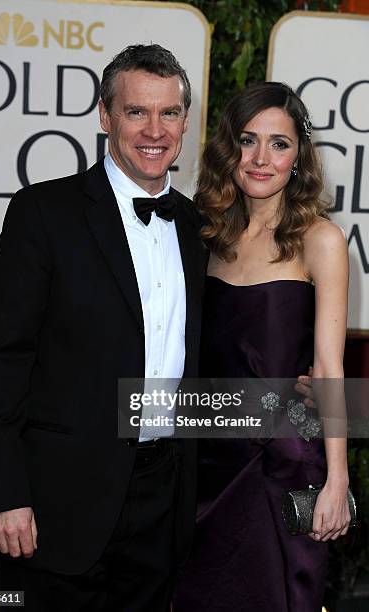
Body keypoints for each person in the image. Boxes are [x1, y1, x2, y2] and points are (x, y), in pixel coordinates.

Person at [0, 44, 207, 612]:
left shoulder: (197, 225)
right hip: (59, 500)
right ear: (105, 116)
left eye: (169, 113)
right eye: (136, 112)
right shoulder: (43, 213)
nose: (155, 130)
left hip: (163, 496)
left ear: (184, 122)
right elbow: (2, 359)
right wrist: (5, 494)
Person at [174, 82, 350, 612]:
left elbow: (328, 368)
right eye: (248, 141)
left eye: (279, 144)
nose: (261, 158)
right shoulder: (205, 238)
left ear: (299, 156)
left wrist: (336, 480)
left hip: (280, 465)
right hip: (203, 461)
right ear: (230, 149)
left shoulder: (320, 240)